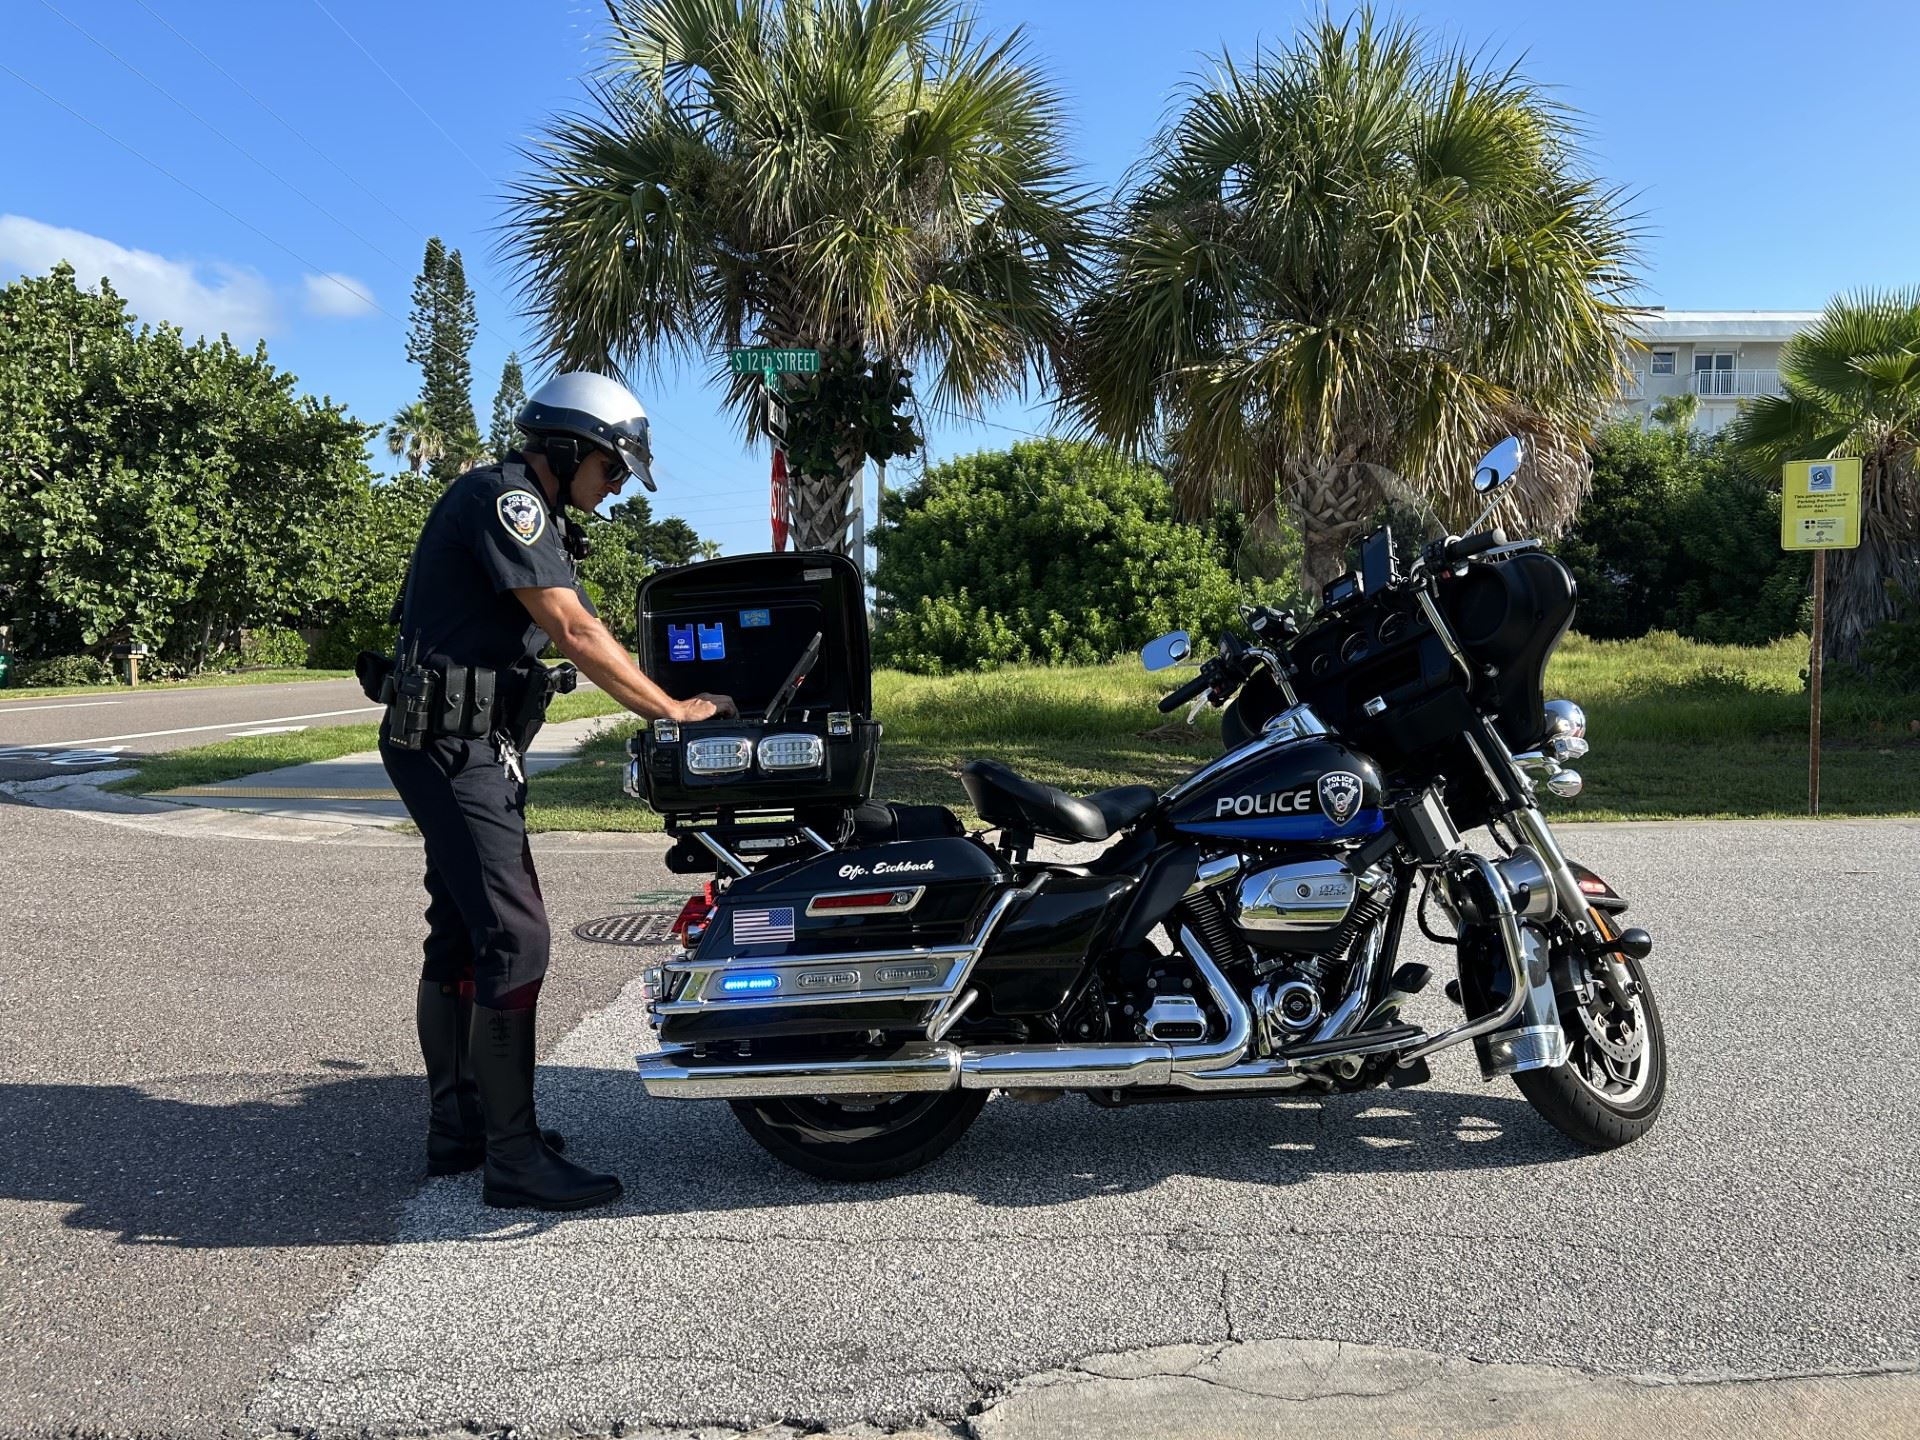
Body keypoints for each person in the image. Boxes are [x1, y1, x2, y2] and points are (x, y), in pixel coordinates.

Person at [378, 371, 734, 1212]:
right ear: (570, 448)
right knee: (517, 937)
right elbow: (574, 629)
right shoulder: (508, 502)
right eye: (611, 471)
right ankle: (512, 1158)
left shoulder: (515, 507)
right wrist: (673, 710)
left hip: (455, 746)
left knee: (464, 928)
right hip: (451, 748)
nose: (612, 491)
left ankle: (461, 1128)